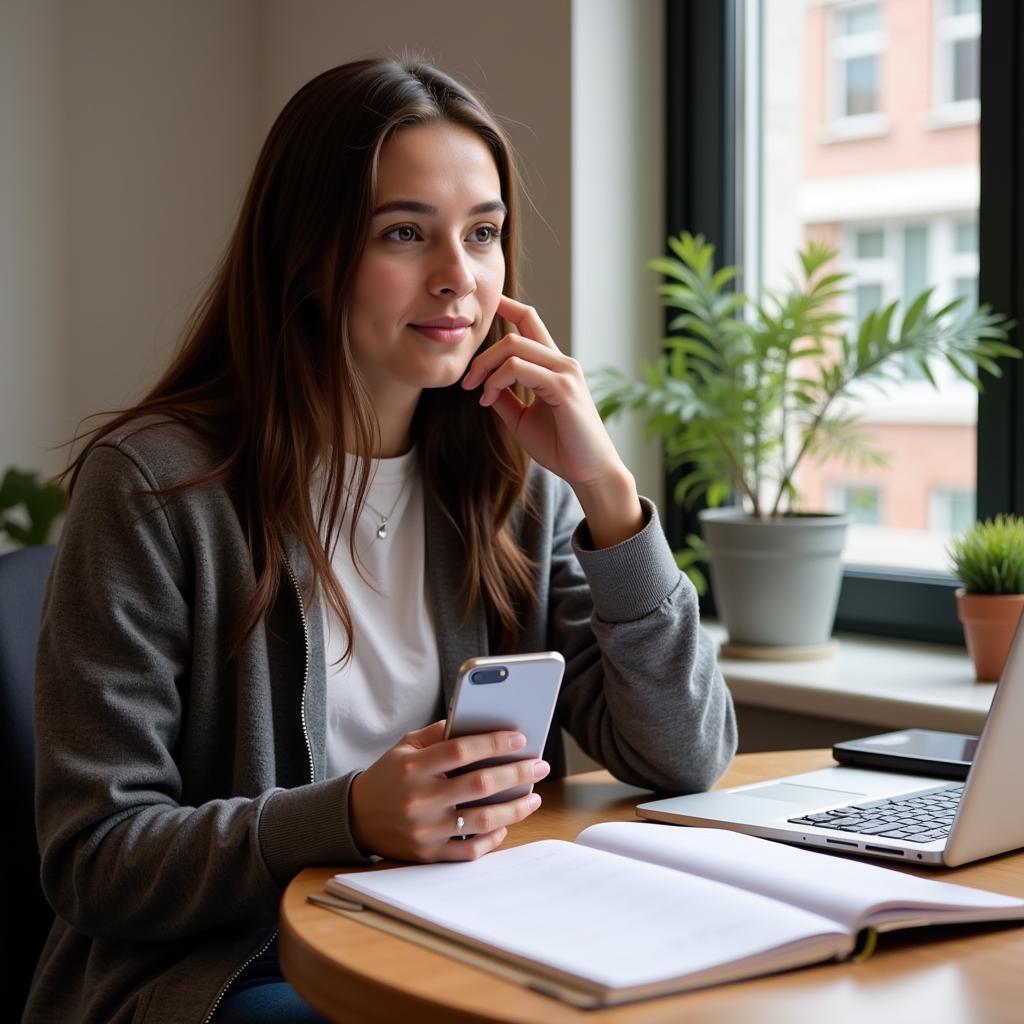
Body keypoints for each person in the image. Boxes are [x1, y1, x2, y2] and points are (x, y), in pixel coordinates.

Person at [24, 57, 736, 1024]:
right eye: (405, 233)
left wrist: (609, 494)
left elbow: (686, 755)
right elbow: (96, 859)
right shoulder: (156, 488)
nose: (459, 278)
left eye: (483, 234)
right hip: (228, 971)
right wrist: (349, 816)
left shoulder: (518, 483)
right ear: (308, 257)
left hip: (463, 937)